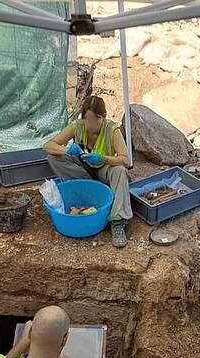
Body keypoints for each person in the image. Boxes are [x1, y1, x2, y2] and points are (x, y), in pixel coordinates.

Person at [43, 96, 133, 248]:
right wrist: (67, 150)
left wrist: (103, 158)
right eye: (86, 119)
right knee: (53, 157)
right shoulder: (77, 126)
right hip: (83, 169)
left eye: (94, 120)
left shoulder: (112, 129)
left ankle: (118, 222)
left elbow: (125, 160)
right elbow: (48, 146)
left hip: (104, 169)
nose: (89, 125)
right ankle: (89, 187)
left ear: (102, 117)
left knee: (119, 171)